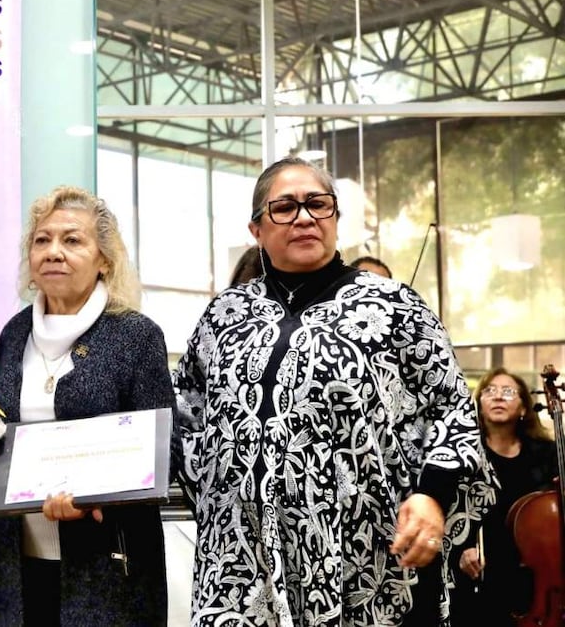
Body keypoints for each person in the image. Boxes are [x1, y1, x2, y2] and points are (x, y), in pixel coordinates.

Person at [173, 156, 492, 626]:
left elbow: (452, 408)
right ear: (257, 229)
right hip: (242, 563)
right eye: (284, 207)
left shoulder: (394, 306)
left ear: (335, 217)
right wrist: (225, 495)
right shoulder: (224, 315)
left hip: (364, 557)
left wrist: (431, 495)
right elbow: (186, 414)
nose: (304, 217)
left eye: (317, 204)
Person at [0, 186, 173, 626]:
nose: (54, 251)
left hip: (108, 566)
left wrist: (90, 496)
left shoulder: (136, 336)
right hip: (16, 561)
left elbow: (164, 453)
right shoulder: (13, 334)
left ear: (104, 259)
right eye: (42, 240)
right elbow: (9, 436)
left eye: (72, 240)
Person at [450, 368, 556, 627]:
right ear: (479, 405)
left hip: (537, 575)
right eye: (489, 391)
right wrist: (461, 550)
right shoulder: (463, 456)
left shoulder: (546, 454)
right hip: (481, 573)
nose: (498, 396)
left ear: (523, 408)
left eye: (508, 392)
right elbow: (449, 515)